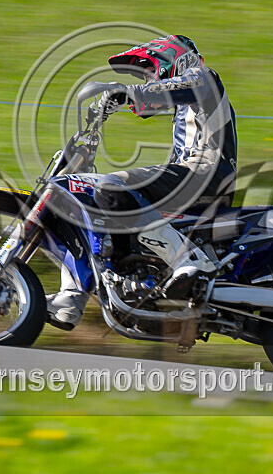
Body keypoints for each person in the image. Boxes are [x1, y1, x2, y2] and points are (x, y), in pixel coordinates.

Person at [47, 34, 238, 330]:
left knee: (111, 187)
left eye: (150, 70)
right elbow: (157, 100)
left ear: (171, 60)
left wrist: (127, 92)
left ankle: (187, 260)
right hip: (193, 177)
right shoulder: (186, 107)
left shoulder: (202, 77)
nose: (148, 78)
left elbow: (182, 88)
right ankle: (72, 297)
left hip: (205, 173)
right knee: (91, 207)